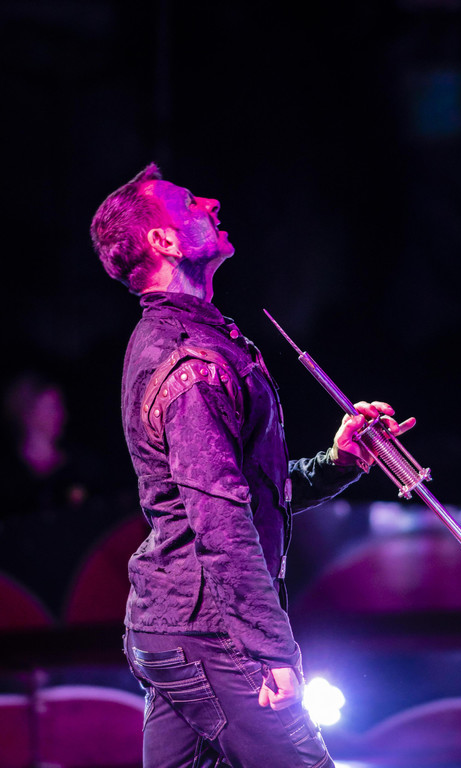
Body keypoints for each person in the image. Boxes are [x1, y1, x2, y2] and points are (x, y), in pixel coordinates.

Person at [90, 163, 414, 768]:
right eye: (188, 202)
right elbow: (221, 523)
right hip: (209, 632)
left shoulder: (201, 341)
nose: (210, 202)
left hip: (176, 628)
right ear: (163, 240)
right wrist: (271, 650)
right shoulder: (192, 365)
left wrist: (338, 461)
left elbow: (247, 491)